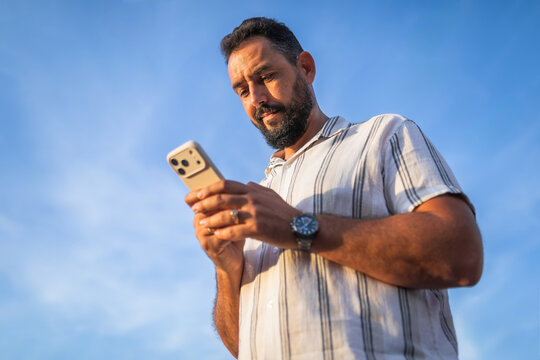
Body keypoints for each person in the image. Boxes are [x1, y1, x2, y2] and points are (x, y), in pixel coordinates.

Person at [185, 17, 483, 360]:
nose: (257, 98)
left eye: (265, 77)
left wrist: (297, 226)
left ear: (306, 68)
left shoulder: (383, 136)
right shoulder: (255, 204)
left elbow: (461, 253)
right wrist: (227, 265)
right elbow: (242, 347)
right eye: (242, 90)